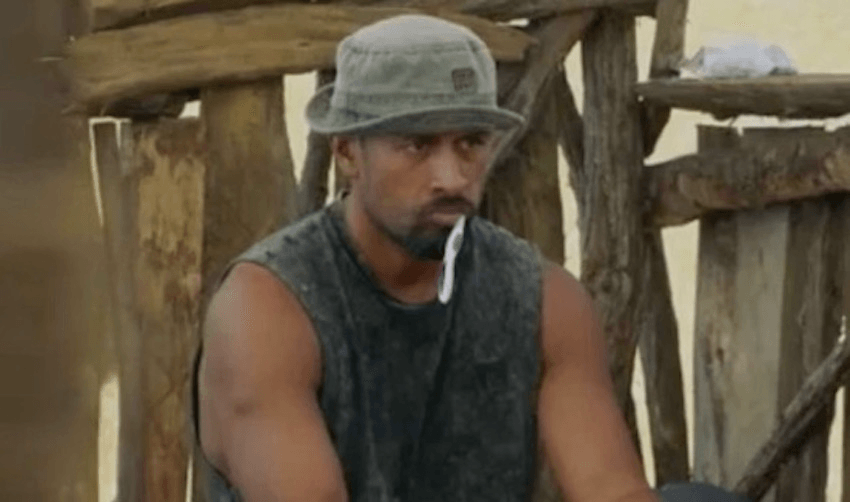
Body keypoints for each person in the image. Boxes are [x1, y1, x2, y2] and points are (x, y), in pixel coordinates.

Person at [190, 14, 749, 502]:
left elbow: (609, 489)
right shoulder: (269, 309)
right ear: (347, 154)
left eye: (471, 143)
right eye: (417, 144)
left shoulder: (541, 299)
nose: (452, 178)